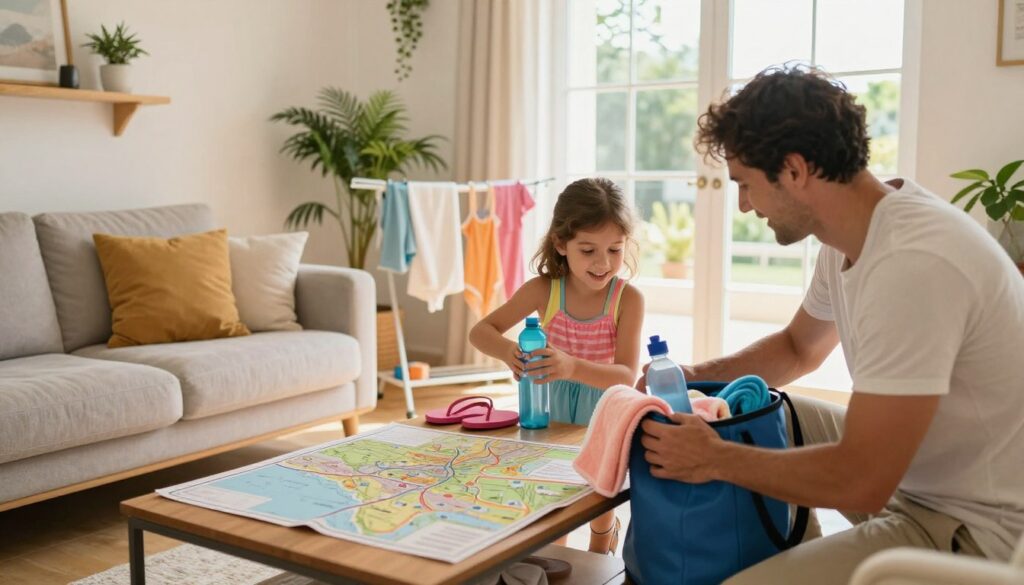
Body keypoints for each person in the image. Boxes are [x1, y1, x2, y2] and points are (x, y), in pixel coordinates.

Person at [637, 65, 1024, 584]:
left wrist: (713, 459)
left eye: (747, 185)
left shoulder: (913, 263)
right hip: (920, 480)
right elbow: (798, 348)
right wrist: (694, 374)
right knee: (780, 413)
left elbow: (863, 480)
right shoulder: (854, 232)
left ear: (794, 170)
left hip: (973, 531)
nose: (744, 205)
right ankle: (801, 556)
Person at [470, 177, 645, 554]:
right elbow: (481, 331)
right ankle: (556, 554)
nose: (603, 263)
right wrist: (508, 352)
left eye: (614, 250)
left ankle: (603, 541)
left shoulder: (628, 299)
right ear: (561, 244)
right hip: (549, 406)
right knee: (553, 491)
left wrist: (571, 367)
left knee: (599, 489)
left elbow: (627, 375)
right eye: (588, 250)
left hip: (605, 407)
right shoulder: (543, 290)